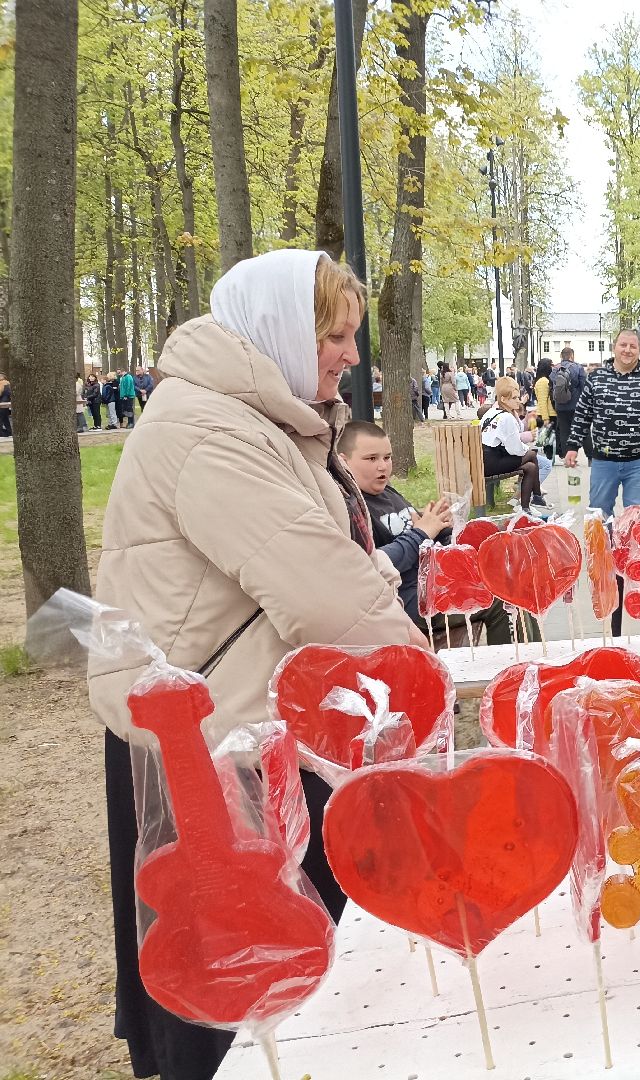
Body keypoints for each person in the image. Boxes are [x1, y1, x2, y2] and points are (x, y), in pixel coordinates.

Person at [88, 249, 419, 1080]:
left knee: (279, 969)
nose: (350, 354)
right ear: (280, 333)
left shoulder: (264, 417)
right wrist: (419, 683)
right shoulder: (207, 430)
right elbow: (318, 587)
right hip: (205, 748)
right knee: (236, 975)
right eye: (334, 336)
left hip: (242, 727)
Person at [338, 420, 534, 644]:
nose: (382, 466)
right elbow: (373, 565)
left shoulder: (385, 491)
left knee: (508, 578)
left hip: (434, 583)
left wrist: (443, 526)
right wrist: (422, 532)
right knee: (501, 599)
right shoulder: (351, 507)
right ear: (343, 462)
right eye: (371, 459)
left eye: (387, 457)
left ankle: (528, 658)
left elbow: (421, 533)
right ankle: (514, 663)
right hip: (410, 603)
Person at [563, 329, 640, 516]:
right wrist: (573, 445)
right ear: (614, 347)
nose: (627, 350)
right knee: (599, 513)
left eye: (632, 346)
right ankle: (604, 537)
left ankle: (631, 537)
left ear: (639, 350)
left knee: (636, 516)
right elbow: (583, 414)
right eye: (623, 345)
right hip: (604, 460)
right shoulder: (596, 377)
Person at [479, 375, 544, 512]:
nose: (518, 401)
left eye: (518, 397)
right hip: (492, 464)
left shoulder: (491, 412)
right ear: (503, 399)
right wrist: (526, 448)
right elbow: (516, 450)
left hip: (482, 461)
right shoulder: (506, 417)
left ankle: (528, 506)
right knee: (532, 455)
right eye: (514, 398)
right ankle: (534, 500)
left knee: (531, 466)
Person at [550, 346, 586, 455]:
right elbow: (584, 386)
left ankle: (566, 455)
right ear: (572, 356)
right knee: (582, 429)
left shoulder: (555, 368)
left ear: (561, 356)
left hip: (560, 405)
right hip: (575, 405)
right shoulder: (578, 367)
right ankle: (590, 456)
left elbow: (552, 385)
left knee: (564, 431)